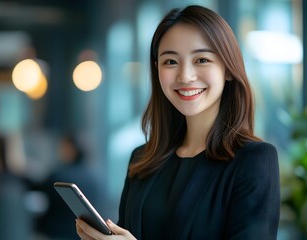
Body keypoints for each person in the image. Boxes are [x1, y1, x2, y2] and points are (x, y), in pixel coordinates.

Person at [76, 4, 280, 240]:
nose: (185, 76)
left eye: (202, 59)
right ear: (157, 70)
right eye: (170, 62)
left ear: (227, 69)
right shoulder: (143, 160)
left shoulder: (254, 161)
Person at [36, 134, 101, 240]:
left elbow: (37, 188)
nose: (59, 151)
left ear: (70, 149)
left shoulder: (60, 176)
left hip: (59, 234)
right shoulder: (95, 178)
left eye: (62, 147)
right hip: (85, 235)